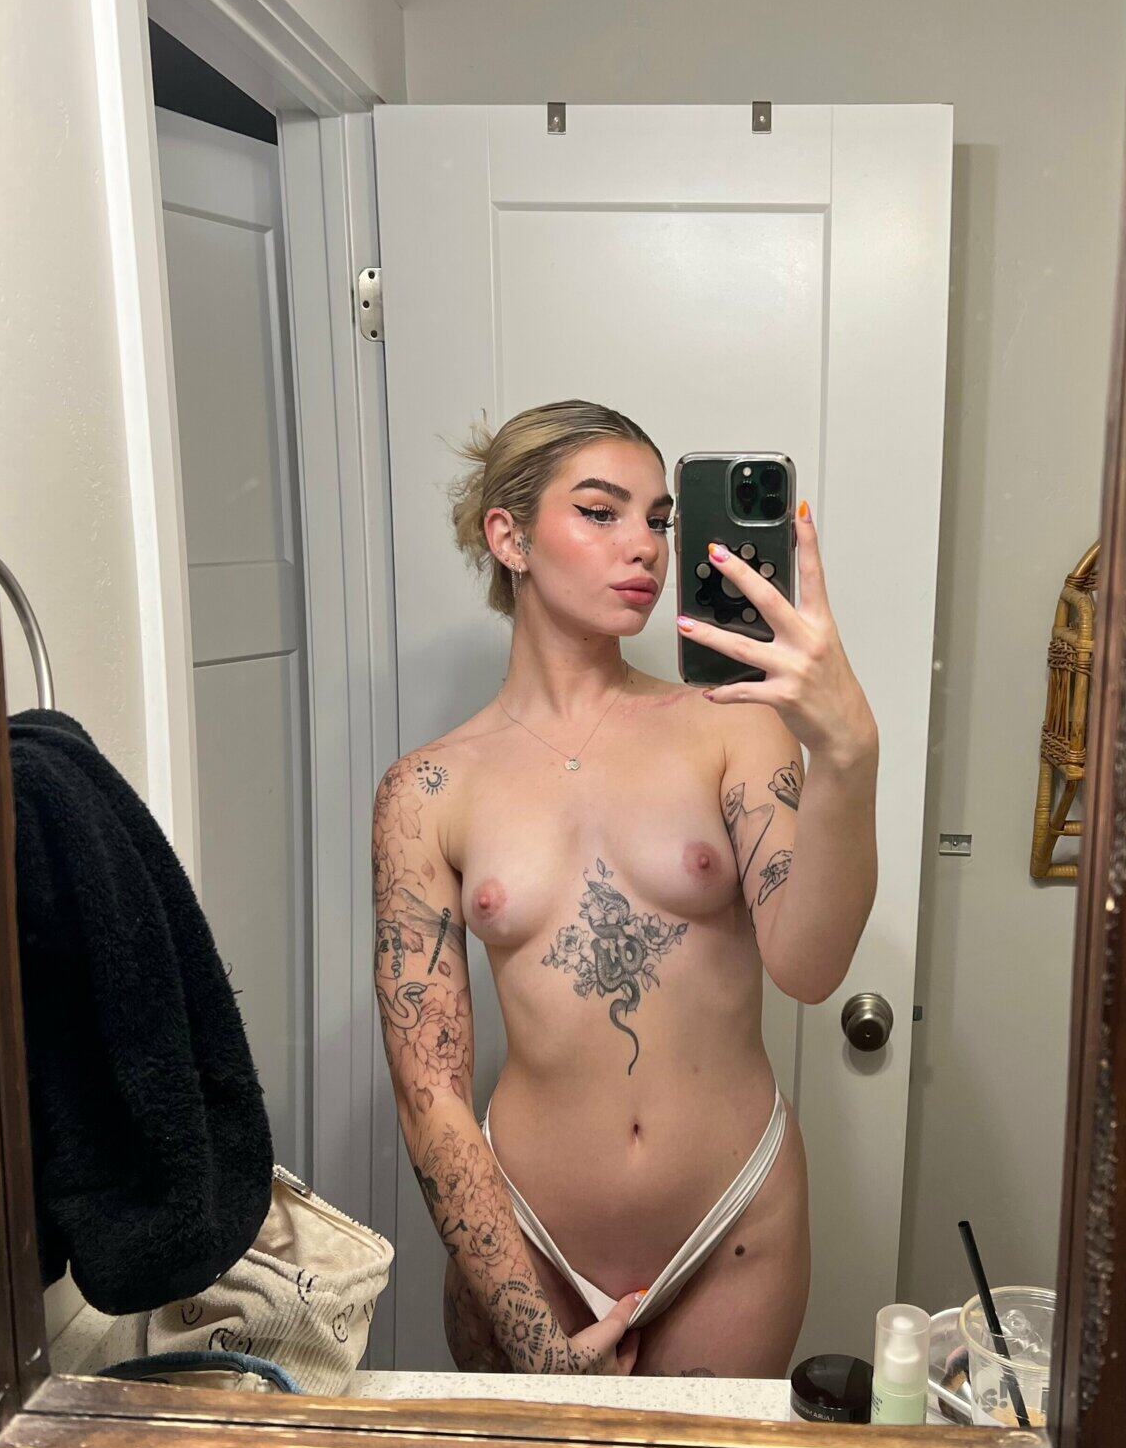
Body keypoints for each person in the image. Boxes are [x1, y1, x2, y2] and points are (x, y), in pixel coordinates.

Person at [372, 401, 878, 1378]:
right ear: (509, 536)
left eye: (659, 518)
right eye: (600, 513)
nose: (643, 545)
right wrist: (533, 1339)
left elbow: (810, 967)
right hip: (526, 1243)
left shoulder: (733, 725)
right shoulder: (427, 790)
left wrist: (848, 754)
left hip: (732, 1225)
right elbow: (427, 1090)